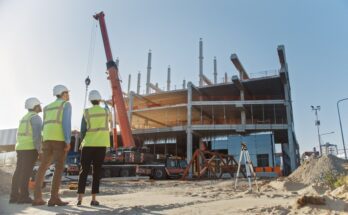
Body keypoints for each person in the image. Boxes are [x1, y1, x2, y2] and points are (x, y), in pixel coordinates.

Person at [32, 85, 72, 206]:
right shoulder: (66, 105)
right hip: (59, 139)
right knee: (59, 168)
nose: (69, 95)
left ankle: (37, 198)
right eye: (67, 93)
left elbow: (44, 125)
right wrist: (67, 140)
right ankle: (54, 198)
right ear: (63, 94)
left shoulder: (47, 107)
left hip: (47, 139)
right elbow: (66, 124)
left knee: (42, 167)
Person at [77, 90, 111, 206]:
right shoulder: (105, 112)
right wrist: (104, 102)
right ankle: (93, 198)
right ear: (99, 99)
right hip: (101, 145)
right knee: (96, 172)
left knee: (83, 171)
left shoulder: (86, 112)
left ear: (90, 100)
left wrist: (82, 144)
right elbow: (108, 109)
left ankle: (80, 198)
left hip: (88, 145)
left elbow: (83, 131)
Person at [9, 98, 42, 204]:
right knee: (26, 173)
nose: (40, 107)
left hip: (20, 147)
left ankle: (14, 196)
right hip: (30, 148)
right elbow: (37, 136)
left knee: (18, 172)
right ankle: (23, 196)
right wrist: (40, 150)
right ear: (35, 106)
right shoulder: (35, 117)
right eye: (39, 105)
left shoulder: (24, 118)